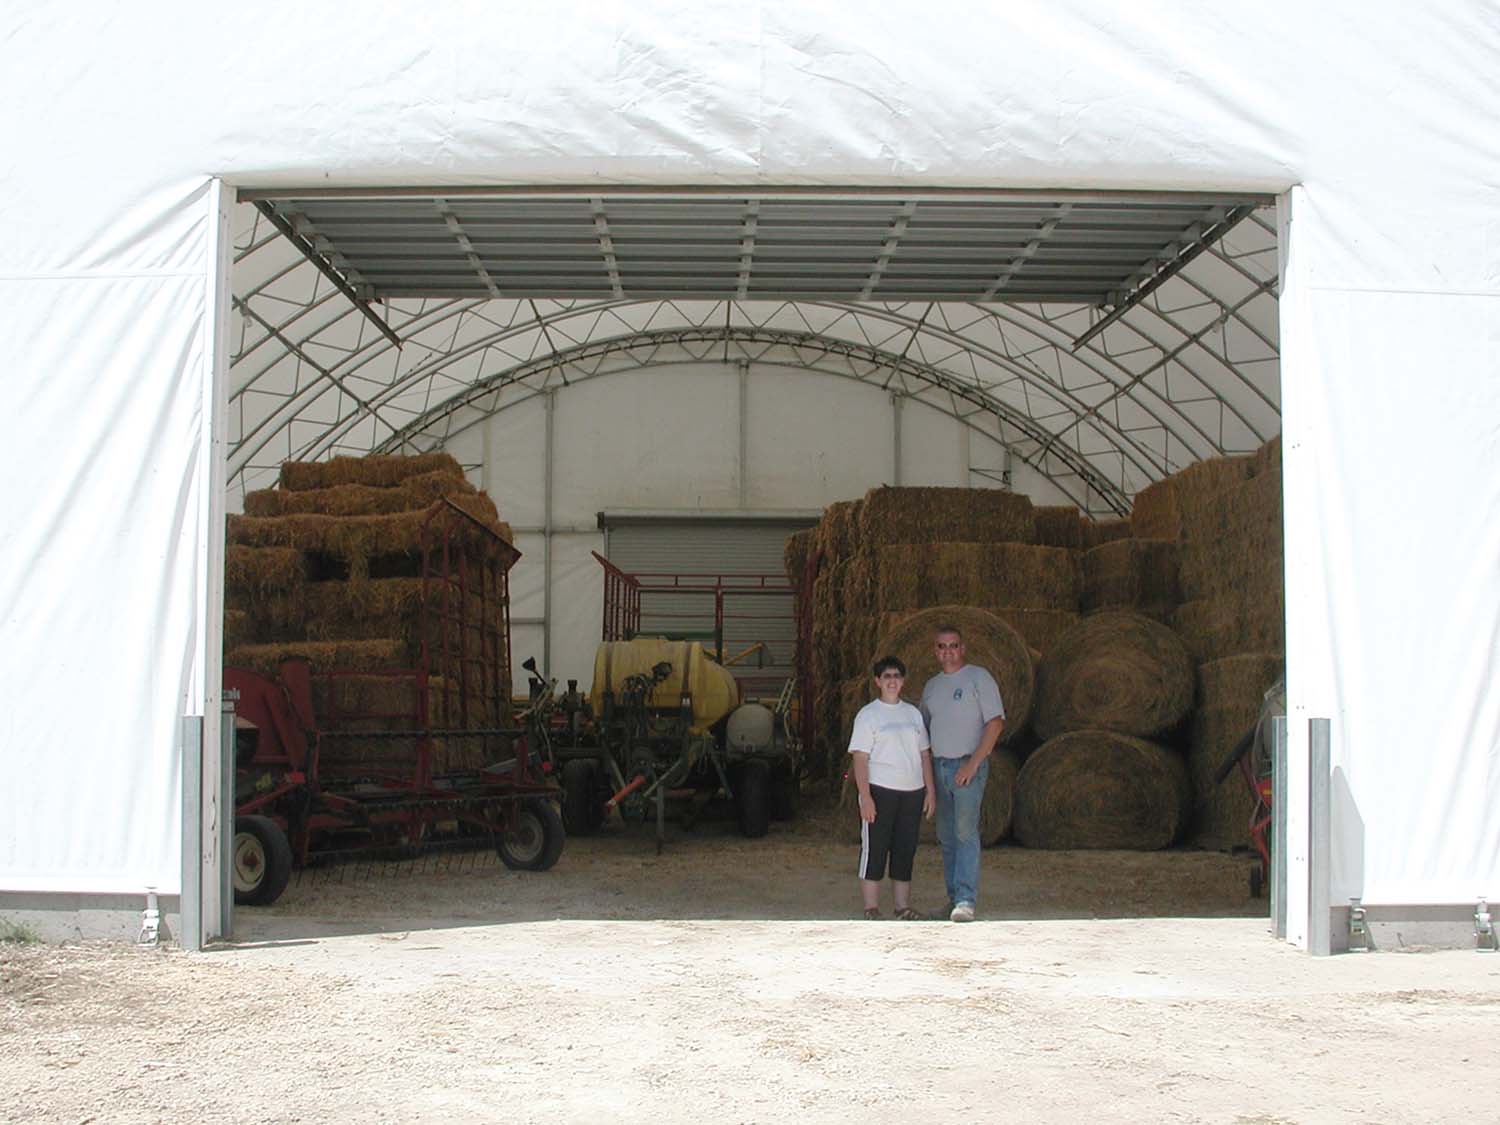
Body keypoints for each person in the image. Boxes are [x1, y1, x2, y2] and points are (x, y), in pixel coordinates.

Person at [920, 624, 1005, 923]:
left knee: (965, 833)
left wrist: (973, 764)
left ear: (963, 648)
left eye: (953, 645)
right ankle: (953, 899)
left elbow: (995, 724)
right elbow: (923, 730)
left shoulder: (979, 678)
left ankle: (967, 899)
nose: (948, 651)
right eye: (942, 646)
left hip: (966, 767)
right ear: (935, 651)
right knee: (946, 836)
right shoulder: (931, 686)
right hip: (939, 767)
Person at [848, 655, 936, 920]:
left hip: (912, 791)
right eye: (887, 676)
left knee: (904, 849)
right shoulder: (868, 715)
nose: (892, 681)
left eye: (897, 676)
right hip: (880, 790)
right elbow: (860, 758)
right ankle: (871, 907)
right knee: (875, 847)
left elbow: (924, 754)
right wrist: (865, 797)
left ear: (903, 681)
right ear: (877, 681)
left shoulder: (913, 714)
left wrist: (930, 791)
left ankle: (902, 907)